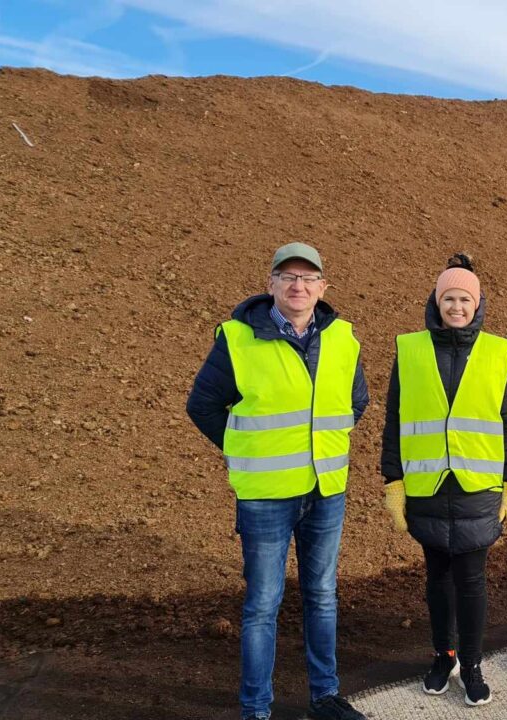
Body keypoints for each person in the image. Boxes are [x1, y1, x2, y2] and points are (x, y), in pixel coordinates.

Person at [186, 242, 370, 720]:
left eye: (309, 278)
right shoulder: (239, 337)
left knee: (323, 596)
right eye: (287, 276)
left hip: (325, 490)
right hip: (266, 496)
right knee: (263, 605)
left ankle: (324, 697)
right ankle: (256, 709)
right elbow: (202, 406)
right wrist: (247, 449)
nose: (298, 285)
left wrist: (321, 446)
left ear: (322, 287)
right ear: (269, 285)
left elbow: (357, 401)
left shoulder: (343, 338)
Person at [380, 254, 507, 707]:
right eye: (449, 298)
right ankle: (444, 656)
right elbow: (395, 421)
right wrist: (393, 482)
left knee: (472, 579)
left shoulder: (500, 352)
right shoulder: (411, 349)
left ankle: (473, 664)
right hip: (427, 486)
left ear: (477, 304)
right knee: (437, 578)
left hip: (478, 487)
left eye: (464, 299)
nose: (456, 306)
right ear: (436, 302)